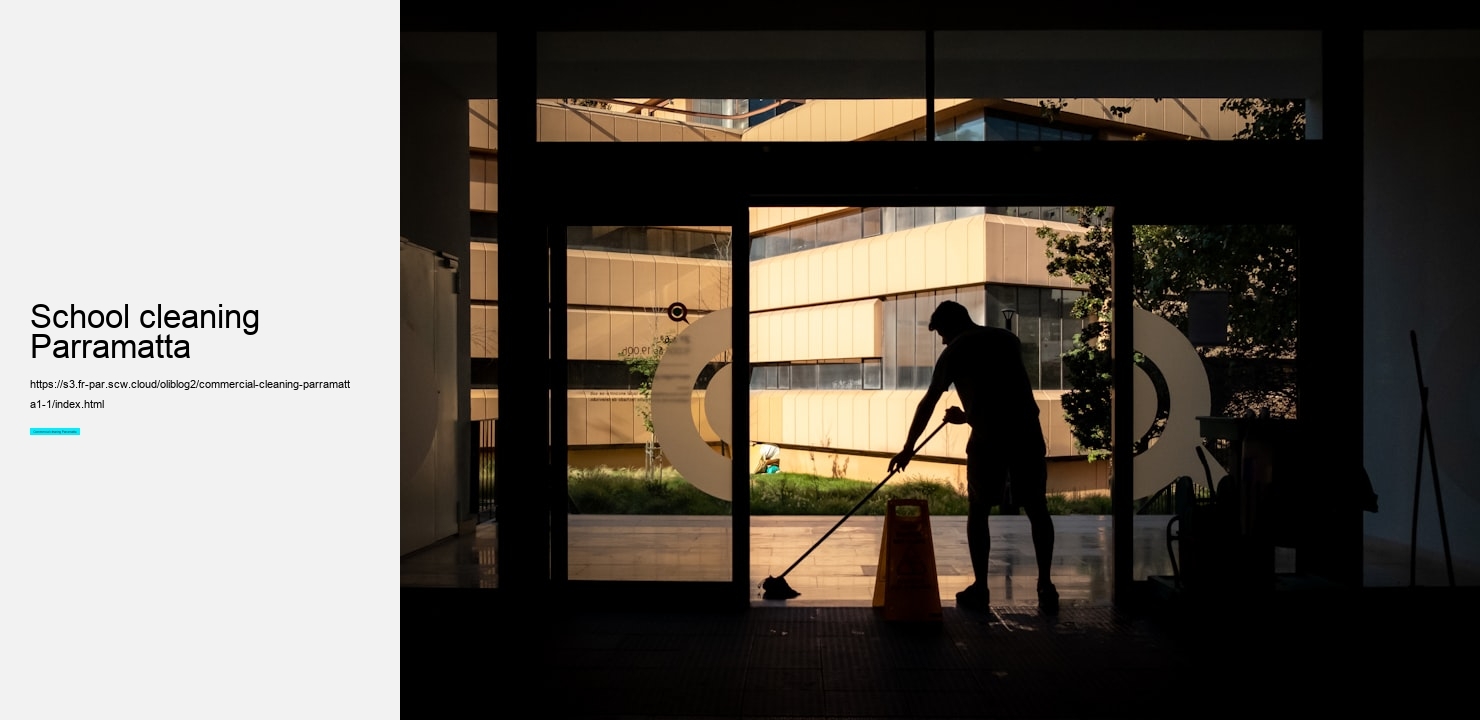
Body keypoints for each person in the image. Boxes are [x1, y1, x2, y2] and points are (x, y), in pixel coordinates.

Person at [888, 300, 1059, 615]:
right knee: (1037, 508)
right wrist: (967, 416)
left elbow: (928, 402)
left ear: (951, 326)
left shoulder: (956, 351)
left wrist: (908, 447)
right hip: (1026, 433)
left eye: (941, 333)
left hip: (988, 441)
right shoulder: (1008, 341)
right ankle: (1046, 584)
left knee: (978, 510)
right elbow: (1004, 396)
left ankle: (981, 587)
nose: (941, 340)